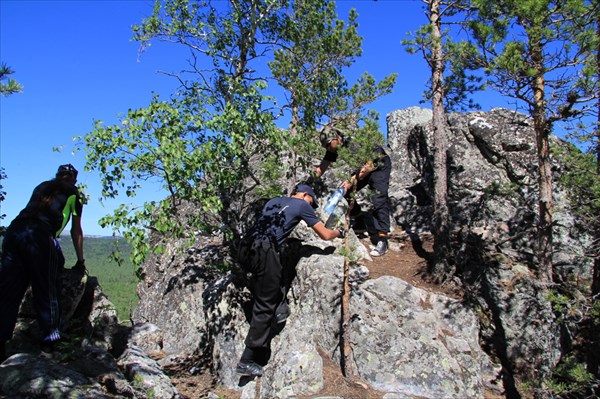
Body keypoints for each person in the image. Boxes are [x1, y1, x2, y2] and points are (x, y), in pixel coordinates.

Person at [236, 183, 344, 377]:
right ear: (304, 195)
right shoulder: (302, 205)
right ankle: (247, 359)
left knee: (270, 285)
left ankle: (279, 311)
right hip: (264, 250)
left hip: (245, 248)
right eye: (312, 201)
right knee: (265, 304)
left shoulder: (273, 201)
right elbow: (326, 235)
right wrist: (340, 232)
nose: (312, 206)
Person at [0, 164, 85, 362]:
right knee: (47, 288)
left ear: (57, 176)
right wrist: (80, 261)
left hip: (14, 233)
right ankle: (50, 343)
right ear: (74, 179)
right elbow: (76, 230)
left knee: (8, 292)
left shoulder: (42, 186)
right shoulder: (74, 193)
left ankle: (1, 342)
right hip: (40, 237)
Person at [315, 127, 392, 257]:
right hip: (362, 168)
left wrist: (351, 180)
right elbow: (322, 166)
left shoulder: (353, 142)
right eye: (325, 146)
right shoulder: (333, 148)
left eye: (328, 144)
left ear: (337, 138)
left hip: (378, 165)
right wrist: (310, 179)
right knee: (343, 192)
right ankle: (360, 219)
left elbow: (370, 163)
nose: (328, 148)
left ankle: (382, 238)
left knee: (378, 198)